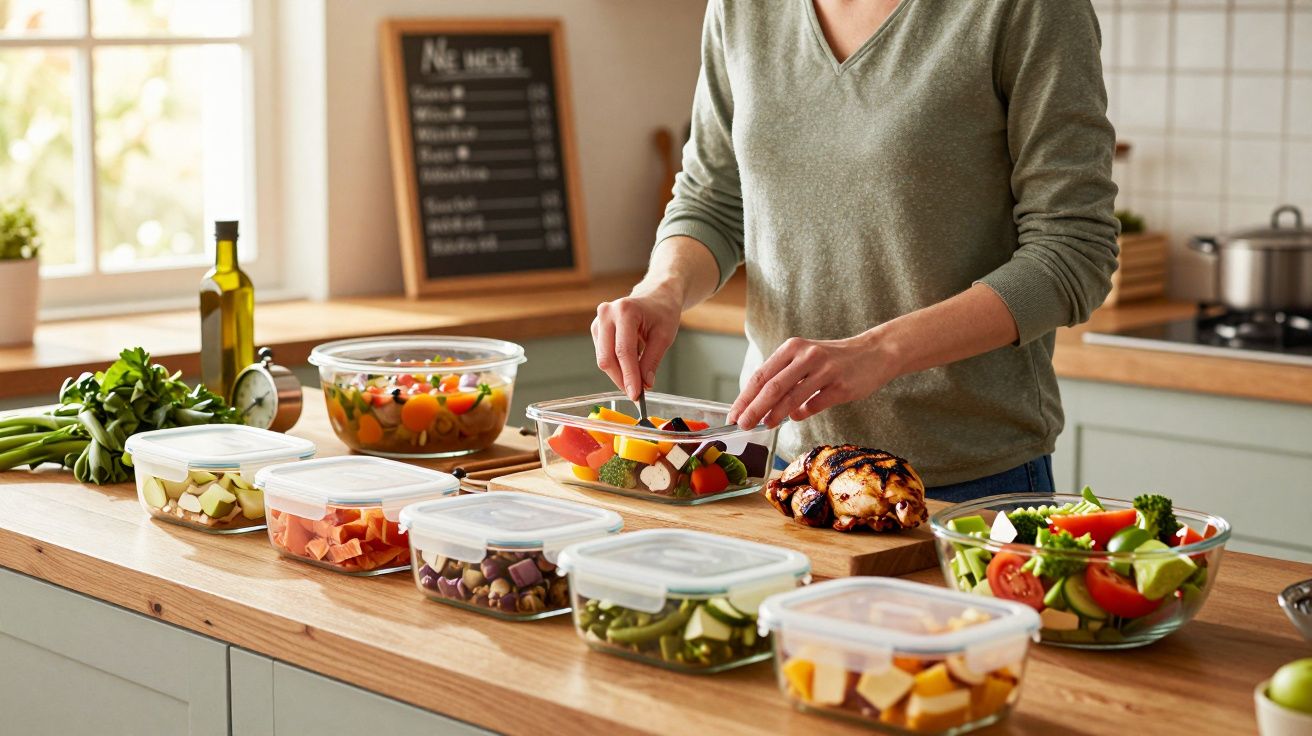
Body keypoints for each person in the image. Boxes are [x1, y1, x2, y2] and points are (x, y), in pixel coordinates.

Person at [591, 0, 1119, 502]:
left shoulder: (1026, 10)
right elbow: (715, 201)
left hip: (965, 481)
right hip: (785, 465)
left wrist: (880, 351)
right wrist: (663, 290)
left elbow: (1072, 250)